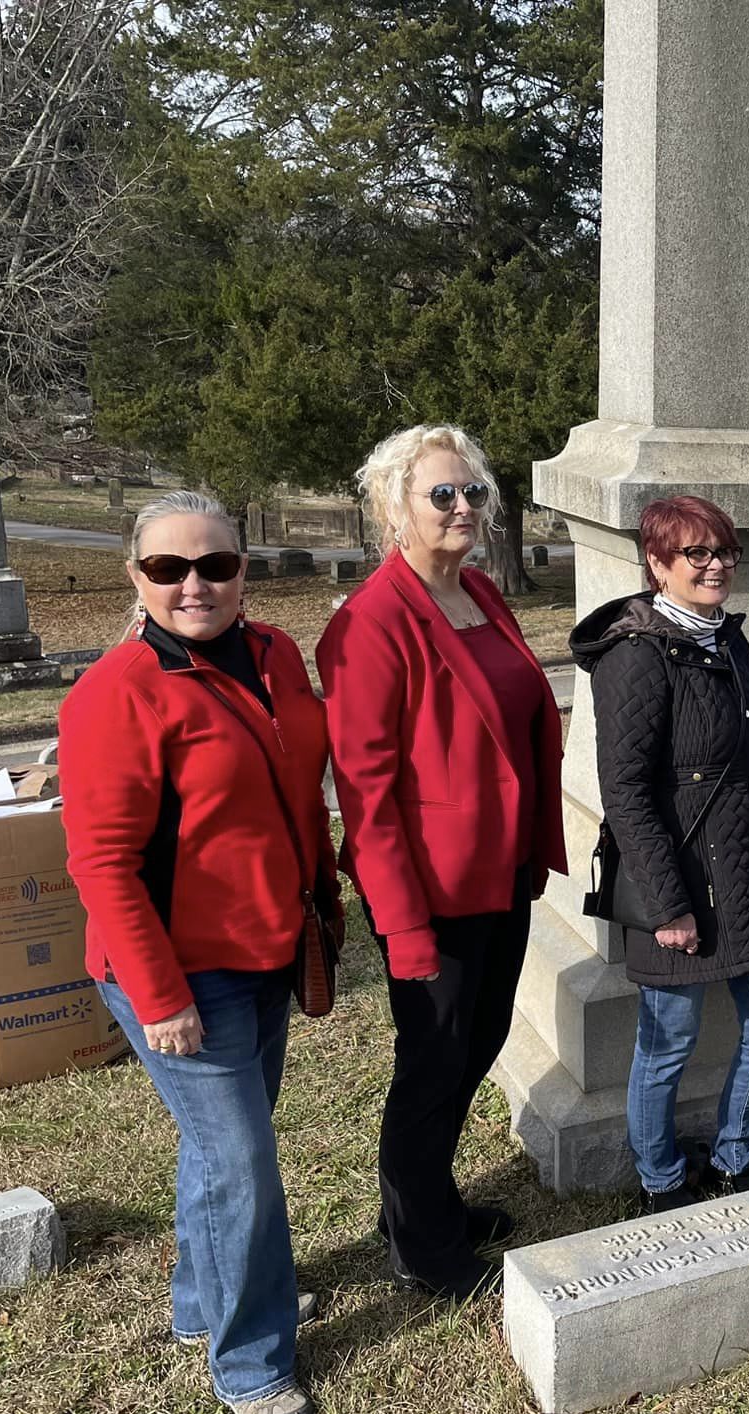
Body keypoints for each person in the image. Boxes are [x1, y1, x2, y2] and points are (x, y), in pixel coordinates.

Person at [60, 491, 336, 1414]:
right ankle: (252, 1362)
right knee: (242, 1160)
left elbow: (298, 800)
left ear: (243, 570)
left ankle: (196, 1300)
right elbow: (100, 863)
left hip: (265, 947)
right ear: (135, 579)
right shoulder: (116, 693)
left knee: (223, 1152)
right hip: (177, 973)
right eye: (168, 569)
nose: (194, 585)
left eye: (215, 565)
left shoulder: (274, 657)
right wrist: (159, 993)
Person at [318, 425, 565, 1302]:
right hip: (431, 889)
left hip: (498, 875)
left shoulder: (481, 595)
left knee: (479, 1040)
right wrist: (402, 921)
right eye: (442, 495)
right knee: (434, 1057)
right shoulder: (369, 625)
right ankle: (420, 1242)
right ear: (395, 507)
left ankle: (424, 1198)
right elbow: (368, 794)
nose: (463, 508)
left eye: (474, 494)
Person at [570, 496, 749, 1215]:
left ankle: (735, 1157)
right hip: (680, 879)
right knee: (668, 1041)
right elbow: (627, 791)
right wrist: (668, 904)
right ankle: (661, 1180)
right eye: (696, 554)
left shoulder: (726, 637)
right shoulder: (636, 657)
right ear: (657, 563)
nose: (715, 567)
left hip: (747, 869)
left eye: (725, 553)